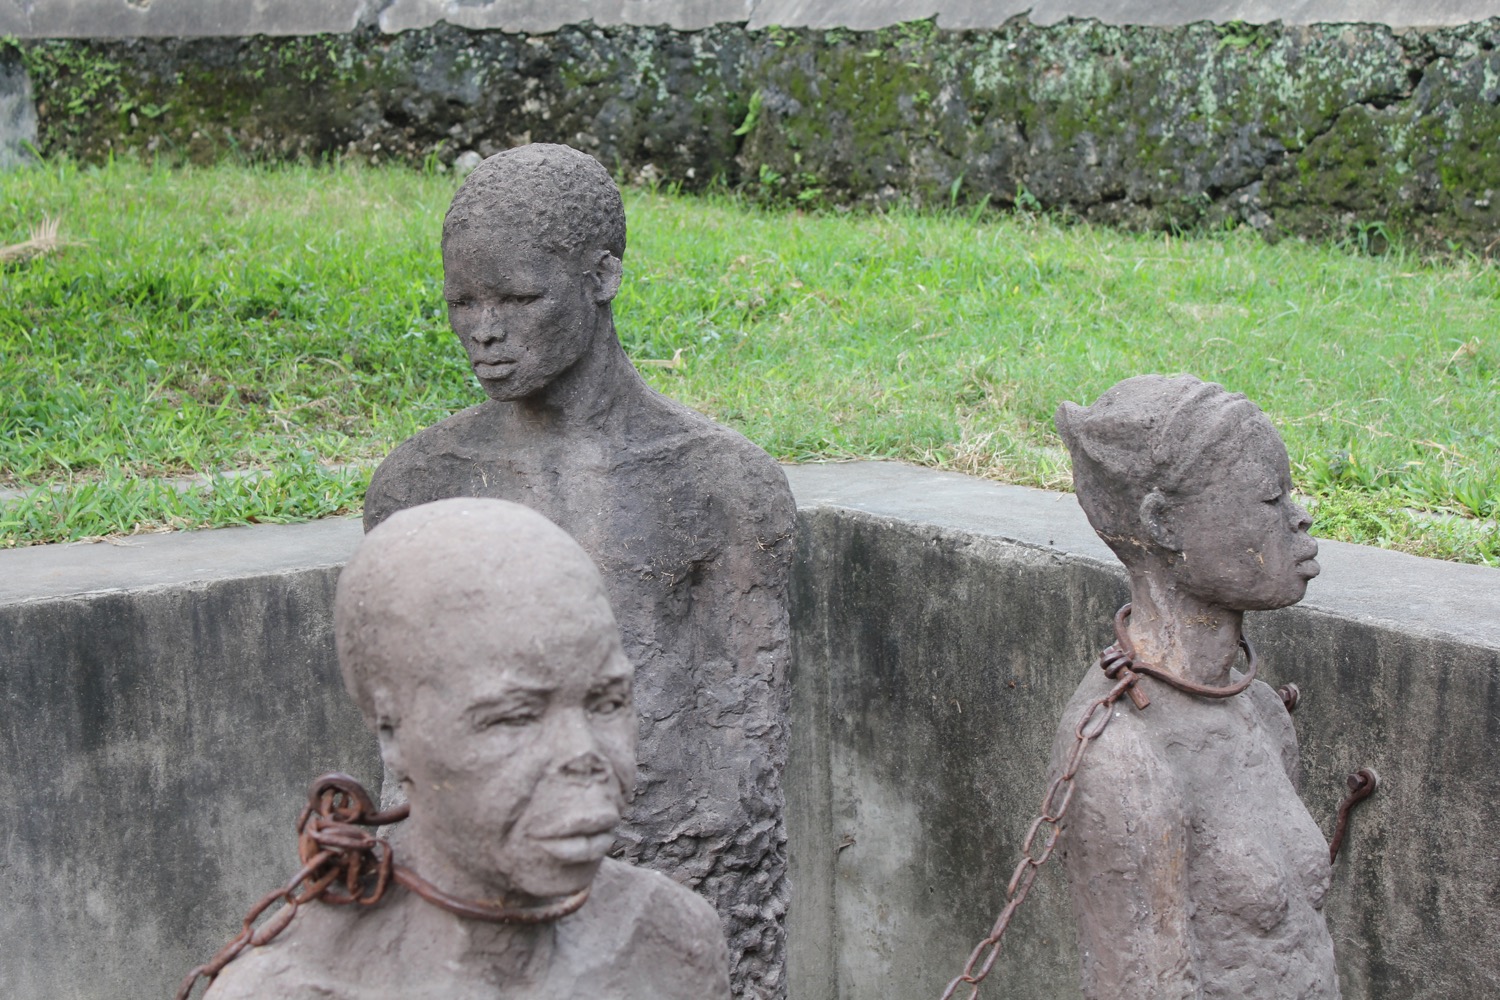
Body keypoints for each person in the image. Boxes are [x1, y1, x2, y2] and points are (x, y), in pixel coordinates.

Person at [363, 144, 794, 998]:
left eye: (519, 299)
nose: (485, 330)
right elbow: (400, 744)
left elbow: (744, 765)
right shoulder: (417, 484)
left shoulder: (722, 485)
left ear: (601, 278)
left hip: (676, 884)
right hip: (474, 894)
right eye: (463, 303)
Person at [205, 498, 731, 1000]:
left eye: (607, 702)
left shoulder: (672, 938)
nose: (583, 755)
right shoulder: (292, 988)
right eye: (515, 717)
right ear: (393, 733)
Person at [1049, 374, 1339, 999]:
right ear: (1164, 522)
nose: (1300, 516)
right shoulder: (1124, 756)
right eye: (1269, 500)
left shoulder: (1258, 709)